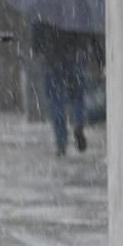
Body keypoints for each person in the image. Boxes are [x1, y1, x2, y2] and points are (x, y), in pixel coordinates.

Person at [31, 20, 92, 157]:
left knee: (55, 101)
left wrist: (37, 50)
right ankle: (78, 123)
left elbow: (36, 31)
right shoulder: (77, 10)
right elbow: (86, 28)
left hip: (51, 58)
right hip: (75, 55)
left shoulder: (44, 10)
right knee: (78, 95)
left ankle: (61, 142)